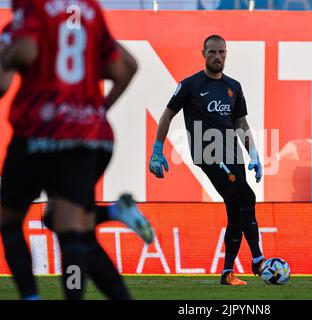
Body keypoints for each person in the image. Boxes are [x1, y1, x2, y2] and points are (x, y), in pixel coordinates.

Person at [0, 0, 143, 300]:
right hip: (87, 137)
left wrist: (6, 56)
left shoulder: (31, 8)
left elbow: (23, 55)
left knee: (10, 221)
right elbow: (126, 67)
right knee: (73, 232)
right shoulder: (89, 11)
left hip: (38, 132)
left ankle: (30, 296)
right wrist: (96, 110)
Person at [149, 34, 265, 286]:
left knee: (236, 212)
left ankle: (227, 273)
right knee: (247, 197)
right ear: (203, 54)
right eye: (212, 52)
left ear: (226, 54)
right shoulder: (190, 85)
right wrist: (157, 149)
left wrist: (253, 154)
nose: (217, 57)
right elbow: (167, 115)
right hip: (209, 155)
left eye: (221, 52)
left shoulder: (233, 86)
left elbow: (240, 123)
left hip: (234, 157)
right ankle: (258, 260)